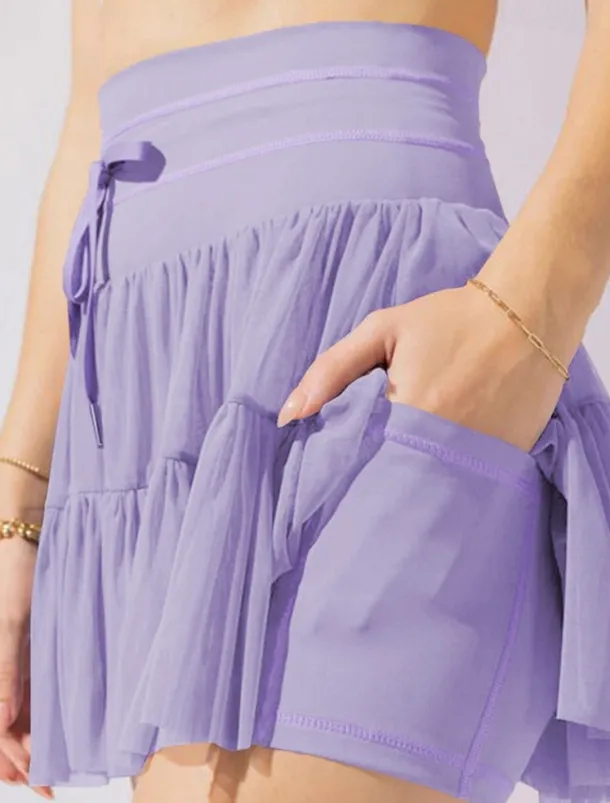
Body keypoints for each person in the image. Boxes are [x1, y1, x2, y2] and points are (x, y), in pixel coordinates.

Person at [1, 1, 610, 801]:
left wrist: (529, 310)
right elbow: (91, 111)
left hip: (366, 319)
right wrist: (21, 505)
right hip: (154, 394)